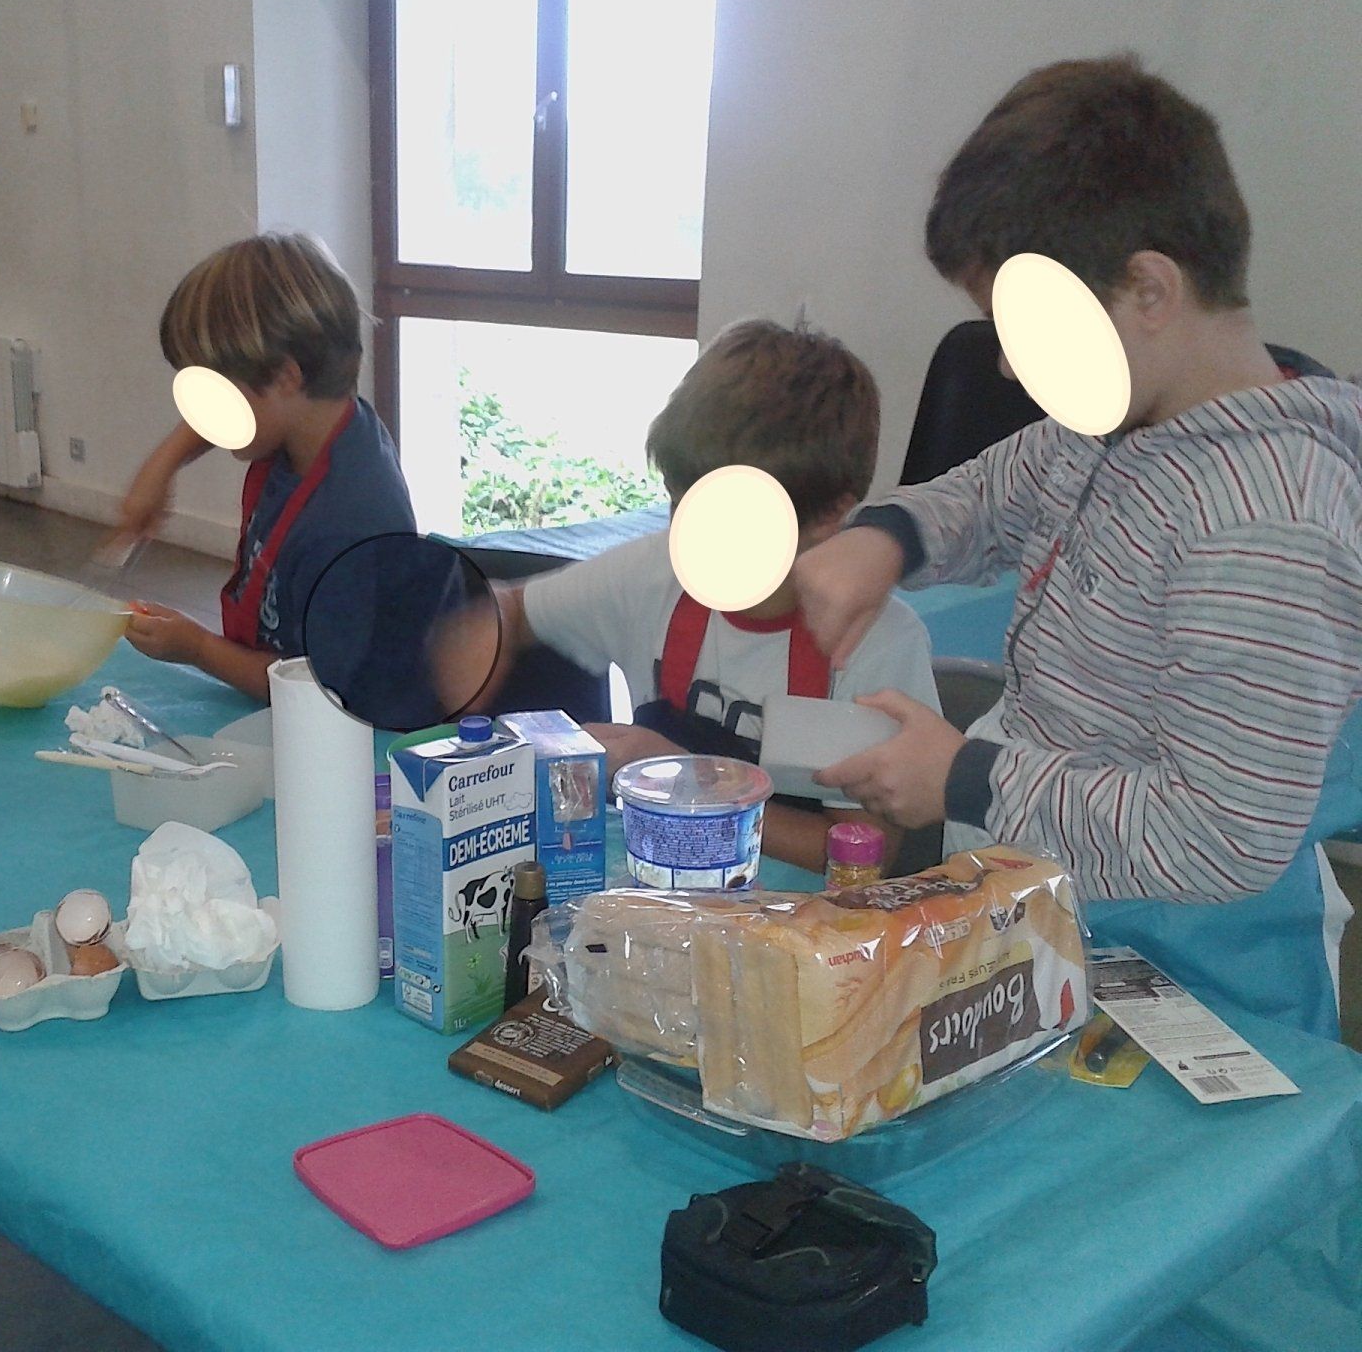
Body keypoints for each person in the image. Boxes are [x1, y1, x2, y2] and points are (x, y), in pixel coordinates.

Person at [803, 55, 1362, 1037]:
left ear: (1148, 288)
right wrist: (888, 539)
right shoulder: (1118, 423)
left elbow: (1220, 837)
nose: (1008, 364)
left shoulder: (1265, 520)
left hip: (1199, 986)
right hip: (1061, 924)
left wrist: (965, 778)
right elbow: (996, 491)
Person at [446, 319, 938, 875]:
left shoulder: (876, 643)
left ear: (829, 513)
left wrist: (681, 774)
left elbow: (864, 853)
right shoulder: (654, 575)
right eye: (681, 505)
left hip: (803, 918)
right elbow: (514, 609)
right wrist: (480, 646)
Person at [111, 232, 415, 702]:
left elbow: (318, 691)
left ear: (285, 377)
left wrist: (197, 648)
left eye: (217, 392)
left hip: (336, 714)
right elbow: (223, 416)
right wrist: (162, 468)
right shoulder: (310, 415)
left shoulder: (349, 525)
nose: (206, 411)